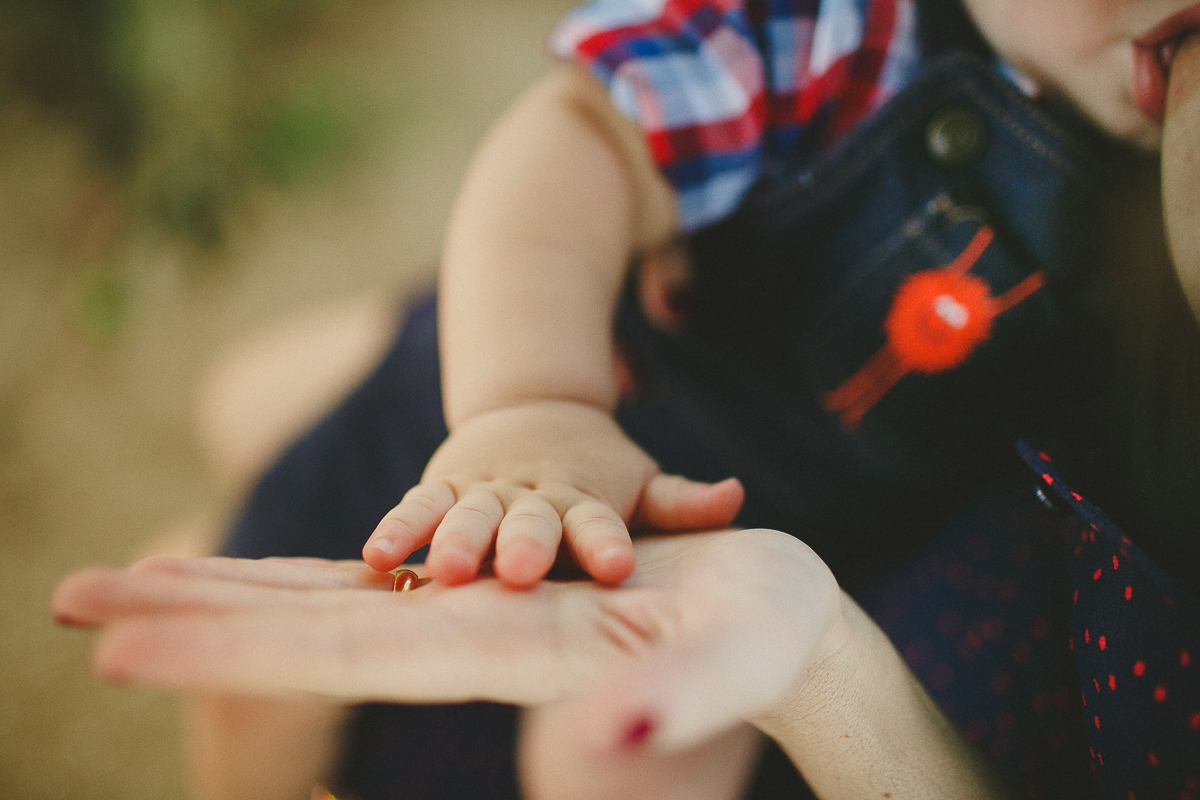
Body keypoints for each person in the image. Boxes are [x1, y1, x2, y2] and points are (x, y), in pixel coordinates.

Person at [59, 0, 1200, 797]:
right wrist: (531, 397)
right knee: (262, 661)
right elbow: (577, 138)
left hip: (754, 536)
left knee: (641, 748)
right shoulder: (835, 28)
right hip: (506, 419)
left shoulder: (1144, 206)